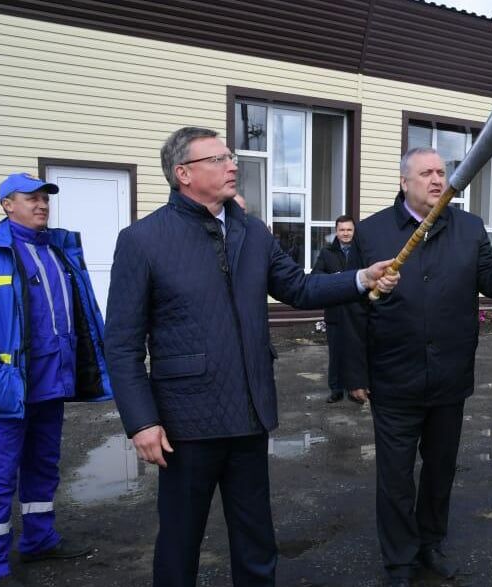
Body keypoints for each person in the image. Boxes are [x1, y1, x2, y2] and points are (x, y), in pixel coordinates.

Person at [104, 127, 399, 587]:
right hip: (185, 423)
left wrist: (359, 279)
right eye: (218, 159)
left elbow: (298, 288)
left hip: (249, 415)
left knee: (256, 541)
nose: (232, 165)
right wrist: (142, 421)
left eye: (230, 156)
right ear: (183, 173)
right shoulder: (143, 240)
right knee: (181, 543)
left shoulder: (251, 231)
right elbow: (121, 342)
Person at [341, 147, 492, 586]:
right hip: (393, 378)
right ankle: (400, 561)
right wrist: (354, 374)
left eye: (442, 172)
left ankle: (430, 543)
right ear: (404, 181)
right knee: (396, 478)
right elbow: (352, 310)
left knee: (440, 470)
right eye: (426, 173)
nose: (438, 179)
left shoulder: (468, 227)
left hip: (449, 378)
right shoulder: (372, 232)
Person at [0, 172, 113, 585]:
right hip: (8, 390)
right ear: (7, 205)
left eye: (45, 199)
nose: (41, 205)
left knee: (43, 467)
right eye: (31, 198)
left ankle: (39, 540)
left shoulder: (59, 252)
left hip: (51, 386)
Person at [312, 215, 362, 403]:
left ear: (353, 231)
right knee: (336, 352)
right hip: (335, 310)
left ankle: (354, 388)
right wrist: (335, 278)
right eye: (342, 230)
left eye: (349, 229)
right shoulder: (327, 253)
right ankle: (336, 389)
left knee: (355, 350)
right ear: (336, 231)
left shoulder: (361, 251)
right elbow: (316, 274)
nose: (346, 233)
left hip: (357, 311)